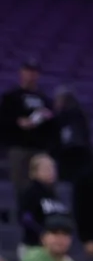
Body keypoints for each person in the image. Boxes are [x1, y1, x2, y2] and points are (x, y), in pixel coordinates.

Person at [2, 58, 53, 204]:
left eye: (34, 72)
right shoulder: (11, 96)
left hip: (39, 148)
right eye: (28, 71)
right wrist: (18, 122)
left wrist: (49, 118)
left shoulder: (44, 99)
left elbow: (52, 125)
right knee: (21, 186)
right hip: (19, 147)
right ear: (21, 72)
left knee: (44, 185)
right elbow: (3, 120)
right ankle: (23, 217)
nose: (31, 75)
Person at [17, 153, 67, 247]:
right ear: (34, 172)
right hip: (33, 246)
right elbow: (25, 218)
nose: (51, 171)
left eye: (52, 168)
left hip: (54, 247)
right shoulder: (30, 192)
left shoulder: (53, 193)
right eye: (46, 168)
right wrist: (43, 233)